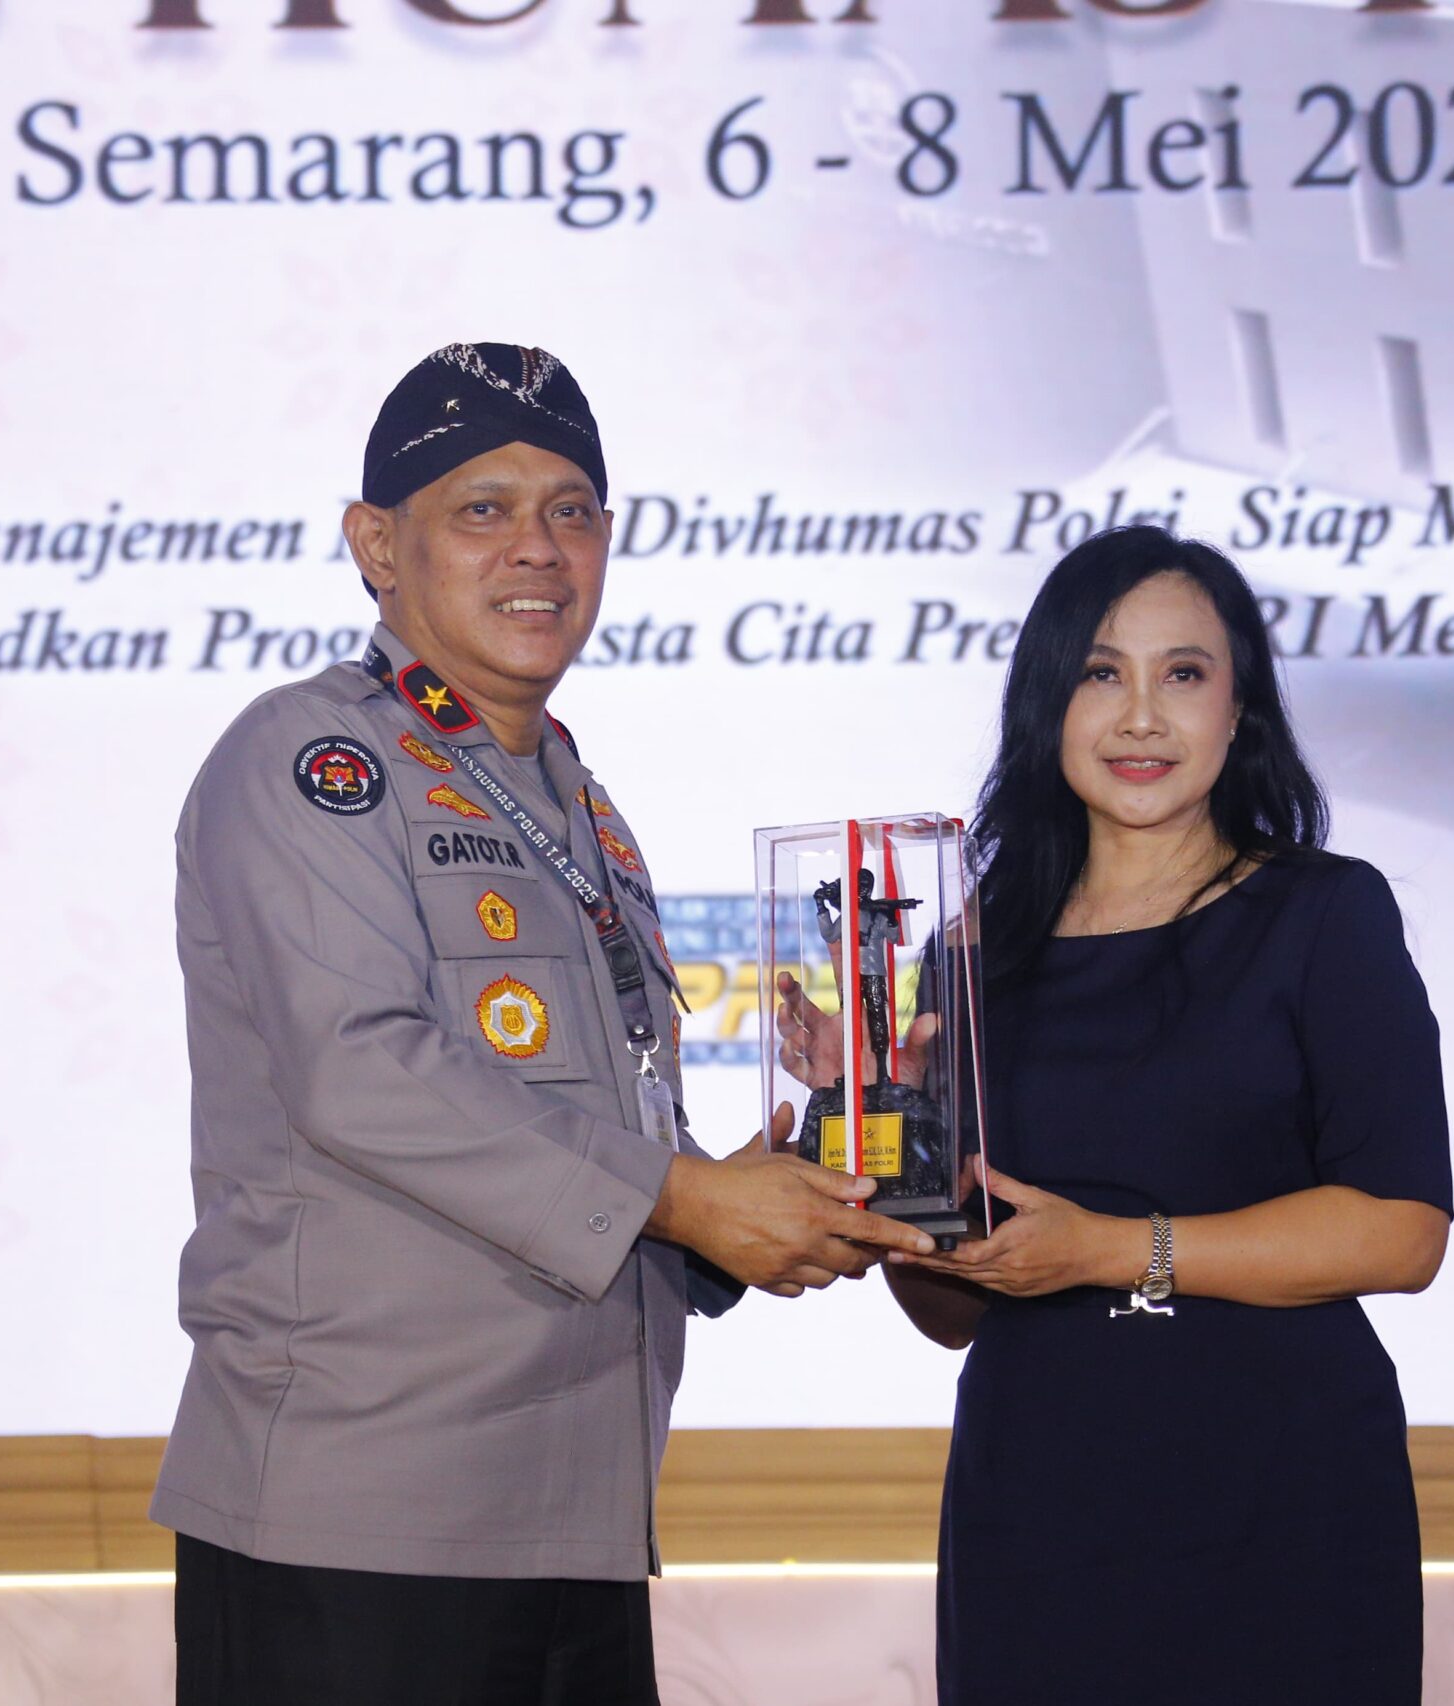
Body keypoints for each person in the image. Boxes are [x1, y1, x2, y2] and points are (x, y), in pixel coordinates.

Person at [152, 342, 934, 1706]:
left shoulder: (579, 803)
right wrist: (685, 1198)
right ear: (376, 545)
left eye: (571, 511)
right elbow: (361, 1070)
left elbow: (591, 1115)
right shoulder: (308, 760)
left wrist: (769, 1182)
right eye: (484, 509)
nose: (538, 548)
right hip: (361, 1524)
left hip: (576, 1519)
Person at [780, 526, 1454, 1703]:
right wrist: (872, 1122)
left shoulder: (1323, 914)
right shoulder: (970, 950)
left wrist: (1109, 1248)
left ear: (1239, 708)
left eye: (1182, 673)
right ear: (1048, 703)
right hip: (1039, 1501)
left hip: (1280, 1496)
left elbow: (1402, 1232)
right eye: (1102, 672)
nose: (1141, 716)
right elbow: (947, 1312)